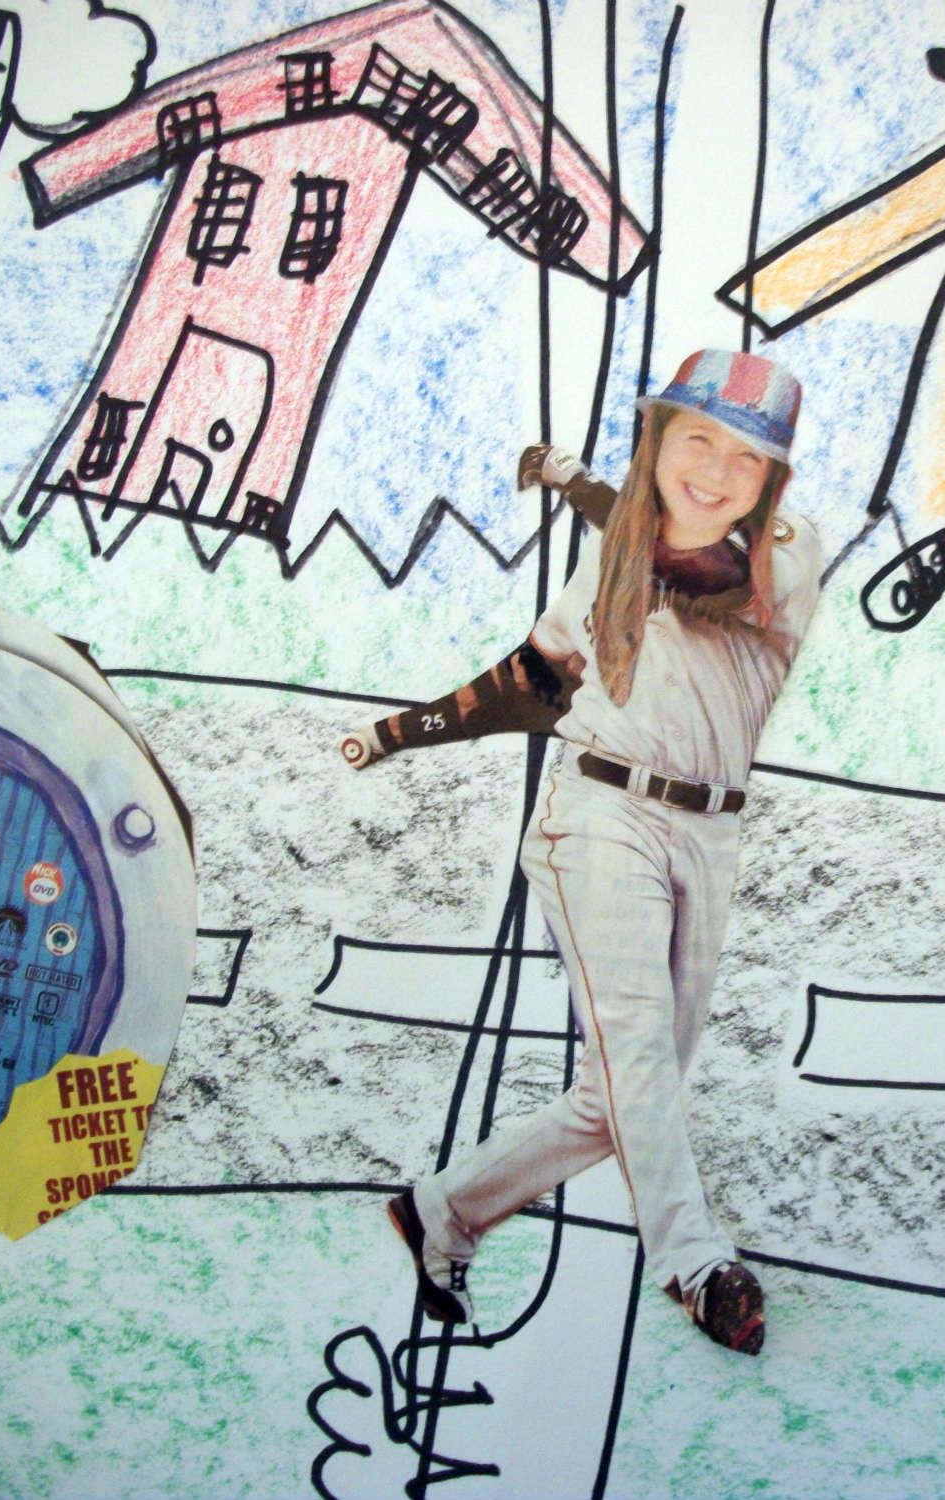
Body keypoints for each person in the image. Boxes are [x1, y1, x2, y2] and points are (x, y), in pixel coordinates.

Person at [338, 350, 821, 1355]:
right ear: (658, 440)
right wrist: (400, 733)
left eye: (745, 455)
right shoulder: (609, 559)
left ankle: (441, 1211)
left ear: (771, 478)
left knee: (624, 1098)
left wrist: (576, 485)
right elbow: (531, 679)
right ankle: (695, 1263)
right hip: (598, 813)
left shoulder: (786, 547)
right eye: (696, 439)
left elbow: (703, 572)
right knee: (637, 1056)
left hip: (709, 831)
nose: (716, 470)